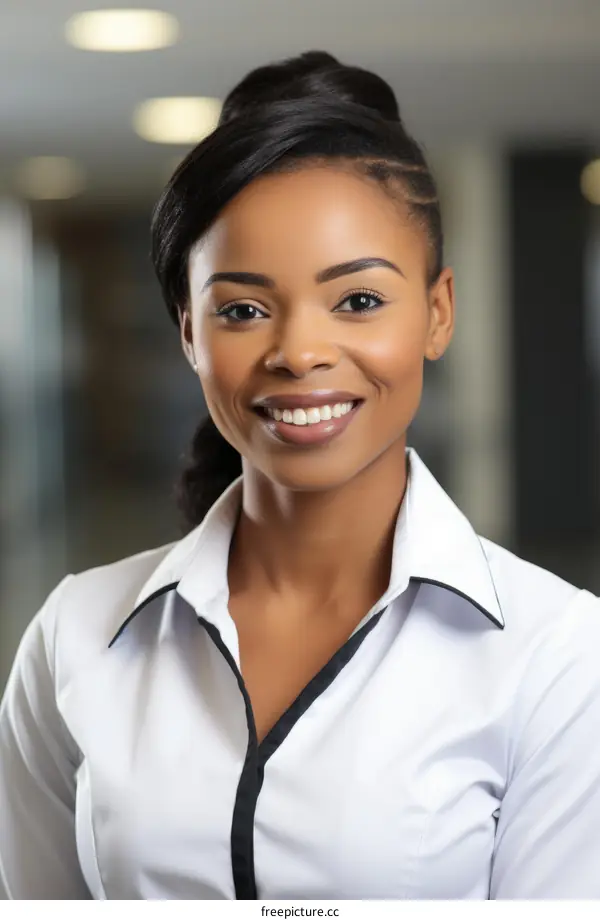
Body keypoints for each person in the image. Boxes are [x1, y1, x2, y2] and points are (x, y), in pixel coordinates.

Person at [1, 51, 600, 902]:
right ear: (188, 333)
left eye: (358, 301)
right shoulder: (77, 638)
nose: (299, 353)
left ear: (437, 312)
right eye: (243, 310)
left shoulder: (557, 655)